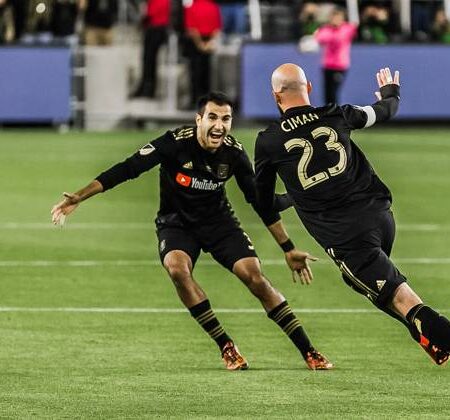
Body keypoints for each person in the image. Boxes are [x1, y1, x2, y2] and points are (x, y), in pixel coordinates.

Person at [51, 92, 333, 371]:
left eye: (226, 119)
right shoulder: (174, 143)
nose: (219, 125)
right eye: (212, 117)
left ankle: (309, 350)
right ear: (199, 120)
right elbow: (128, 168)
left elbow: (260, 203)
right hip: (176, 224)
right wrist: (80, 196)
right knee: (177, 269)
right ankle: (226, 346)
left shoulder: (234, 153)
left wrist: (288, 248)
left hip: (219, 222)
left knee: (254, 276)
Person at [254, 63, 450, 366]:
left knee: (402, 298)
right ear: (308, 88)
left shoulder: (268, 140)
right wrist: (391, 93)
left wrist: (293, 196)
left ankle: (435, 333)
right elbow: (384, 110)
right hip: (381, 217)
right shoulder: (337, 113)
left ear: (274, 95)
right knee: (365, 282)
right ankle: (427, 336)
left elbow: (264, 203)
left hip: (347, 236)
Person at [314, 7, 357, 105]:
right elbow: (320, 39)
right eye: (334, 18)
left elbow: (339, 38)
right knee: (327, 93)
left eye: (338, 18)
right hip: (327, 66)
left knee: (334, 92)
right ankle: (328, 115)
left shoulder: (347, 28)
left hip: (340, 66)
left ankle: (335, 115)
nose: (336, 20)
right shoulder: (326, 29)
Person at [183, 0, 221, 108]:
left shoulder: (191, 7)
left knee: (195, 74)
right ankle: (206, 101)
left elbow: (192, 29)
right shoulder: (213, 6)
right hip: (208, 41)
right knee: (207, 73)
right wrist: (208, 43)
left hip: (195, 43)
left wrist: (200, 44)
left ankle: (194, 101)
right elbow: (217, 28)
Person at [131, 0, 170, 98]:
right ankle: (148, 87)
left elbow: (150, 13)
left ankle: (147, 88)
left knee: (148, 60)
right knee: (149, 60)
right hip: (160, 28)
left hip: (155, 28)